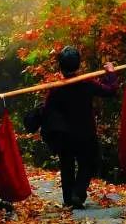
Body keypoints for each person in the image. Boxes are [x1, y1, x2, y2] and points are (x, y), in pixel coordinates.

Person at [41, 46, 118, 209]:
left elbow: (46, 111)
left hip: (64, 135)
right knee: (88, 163)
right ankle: (77, 193)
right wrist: (110, 73)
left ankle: (70, 199)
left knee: (67, 165)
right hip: (86, 133)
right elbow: (111, 91)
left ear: (60, 67)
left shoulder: (56, 89)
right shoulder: (87, 83)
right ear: (78, 65)